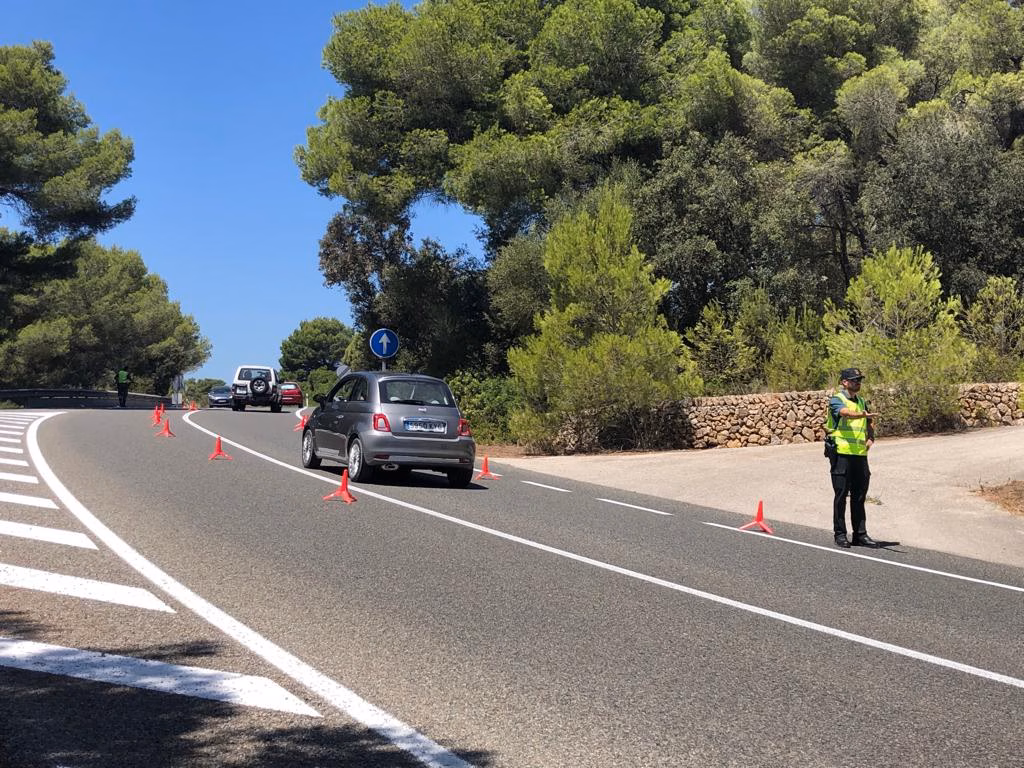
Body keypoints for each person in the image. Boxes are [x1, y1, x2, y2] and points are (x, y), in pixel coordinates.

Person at [825, 367, 880, 549]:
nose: (858, 383)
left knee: (859, 496)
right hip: (841, 454)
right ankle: (840, 534)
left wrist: (871, 437)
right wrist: (862, 415)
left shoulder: (862, 401)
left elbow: (869, 421)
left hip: (859, 455)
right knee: (841, 495)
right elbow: (845, 413)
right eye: (855, 380)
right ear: (845, 382)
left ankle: (860, 535)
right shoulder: (837, 400)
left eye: (859, 380)